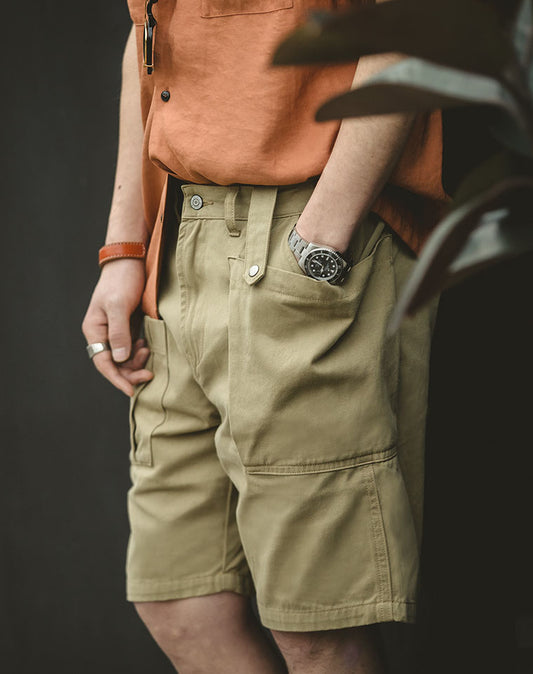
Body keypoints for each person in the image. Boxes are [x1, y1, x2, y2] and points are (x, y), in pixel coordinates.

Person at [82, 1, 447, 672]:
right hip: (178, 231)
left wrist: (321, 236)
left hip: (304, 224)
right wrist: (125, 247)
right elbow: (147, 37)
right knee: (180, 603)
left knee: (316, 625)